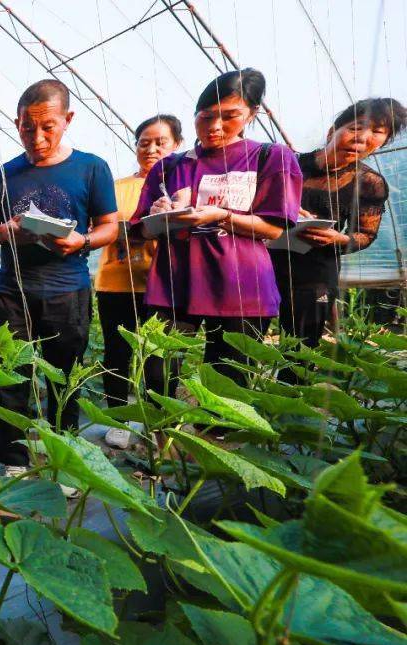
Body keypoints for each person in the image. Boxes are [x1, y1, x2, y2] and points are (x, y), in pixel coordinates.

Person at [0, 79, 119, 475]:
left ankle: (66, 463)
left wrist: (83, 242)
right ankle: (13, 461)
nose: (36, 137)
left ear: (67, 120)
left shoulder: (91, 168)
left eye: (47, 127)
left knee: (65, 381)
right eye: (26, 127)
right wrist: (11, 231)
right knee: (11, 380)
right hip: (14, 292)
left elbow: (110, 226)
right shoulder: (4, 174)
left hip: (67, 292)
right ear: (17, 122)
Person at [132, 68, 301, 397]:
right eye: (205, 116)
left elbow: (273, 228)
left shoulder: (270, 157)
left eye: (230, 116)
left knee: (226, 384)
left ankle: (212, 439)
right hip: (174, 283)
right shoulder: (170, 166)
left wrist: (222, 215)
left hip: (241, 287)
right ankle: (159, 442)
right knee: (157, 371)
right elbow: (141, 229)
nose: (214, 127)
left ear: (252, 114)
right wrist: (157, 214)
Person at [271, 98, 405, 348]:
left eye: (377, 132)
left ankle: (294, 386)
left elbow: (365, 234)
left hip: (316, 270)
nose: (363, 138)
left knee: (301, 348)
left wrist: (339, 239)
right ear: (333, 131)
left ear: (382, 143)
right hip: (266, 262)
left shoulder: (369, 182)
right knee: (246, 339)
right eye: (355, 128)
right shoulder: (289, 164)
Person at [94, 115, 183, 449]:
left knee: (160, 359)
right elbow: (99, 227)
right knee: (117, 353)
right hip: (116, 282)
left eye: (161, 142)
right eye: (144, 142)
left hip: (164, 285)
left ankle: (159, 423)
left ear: (177, 145)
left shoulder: (183, 187)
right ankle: (118, 418)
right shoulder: (116, 187)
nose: (151, 149)